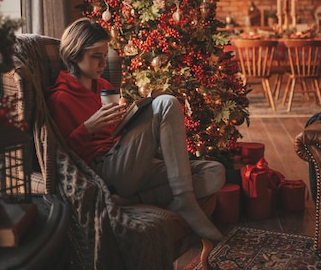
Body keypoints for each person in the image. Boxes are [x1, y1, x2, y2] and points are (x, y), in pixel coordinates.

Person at [47, 17, 225, 241]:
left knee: (214, 172)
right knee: (166, 103)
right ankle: (186, 201)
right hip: (106, 171)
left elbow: (114, 133)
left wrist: (129, 121)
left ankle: (138, 200)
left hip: (130, 165)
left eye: (104, 55)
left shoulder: (103, 87)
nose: (103, 63)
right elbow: (61, 159)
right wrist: (88, 128)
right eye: (96, 57)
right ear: (74, 55)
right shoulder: (60, 98)